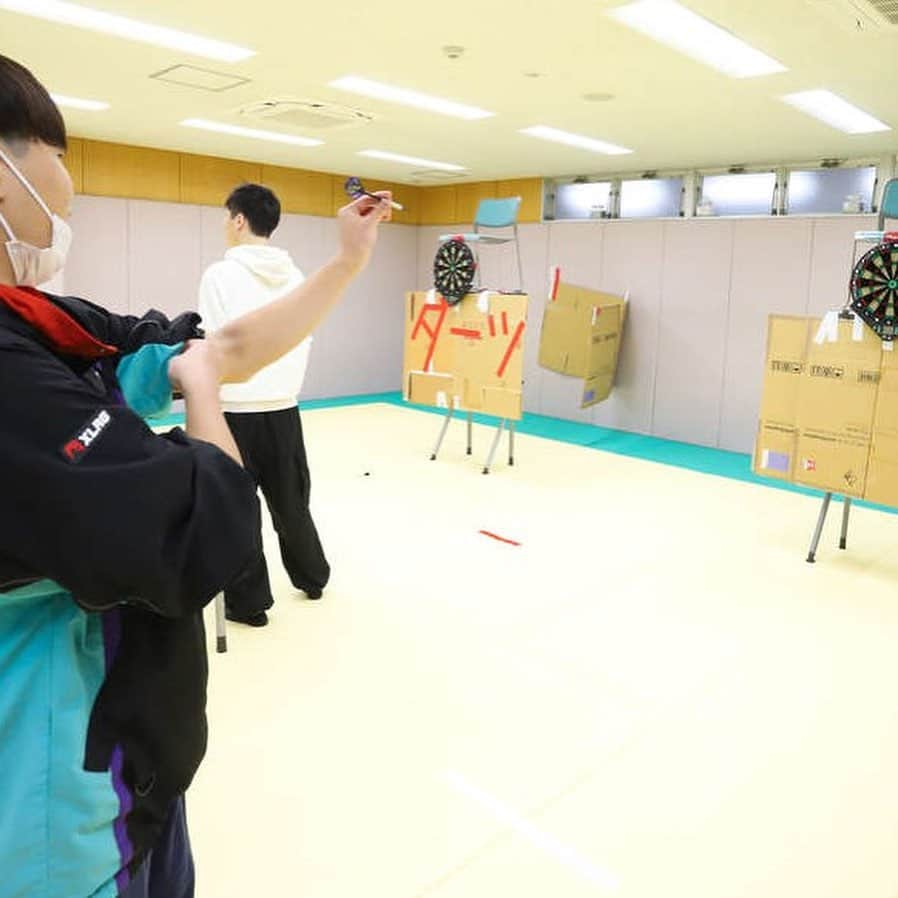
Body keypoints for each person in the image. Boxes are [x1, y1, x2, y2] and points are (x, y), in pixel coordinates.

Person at [0, 53, 390, 898]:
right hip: (56, 797)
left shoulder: (44, 323)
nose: (66, 179)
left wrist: (349, 262)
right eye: (54, 150)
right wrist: (205, 391)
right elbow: (202, 526)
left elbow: (224, 346)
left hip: (131, 763)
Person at [199, 183, 328, 628]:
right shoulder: (296, 277)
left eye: (225, 217)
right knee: (292, 501)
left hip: (234, 410)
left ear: (238, 220)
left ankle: (250, 605)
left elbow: (215, 341)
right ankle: (313, 577)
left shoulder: (219, 275)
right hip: (284, 407)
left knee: (239, 508)